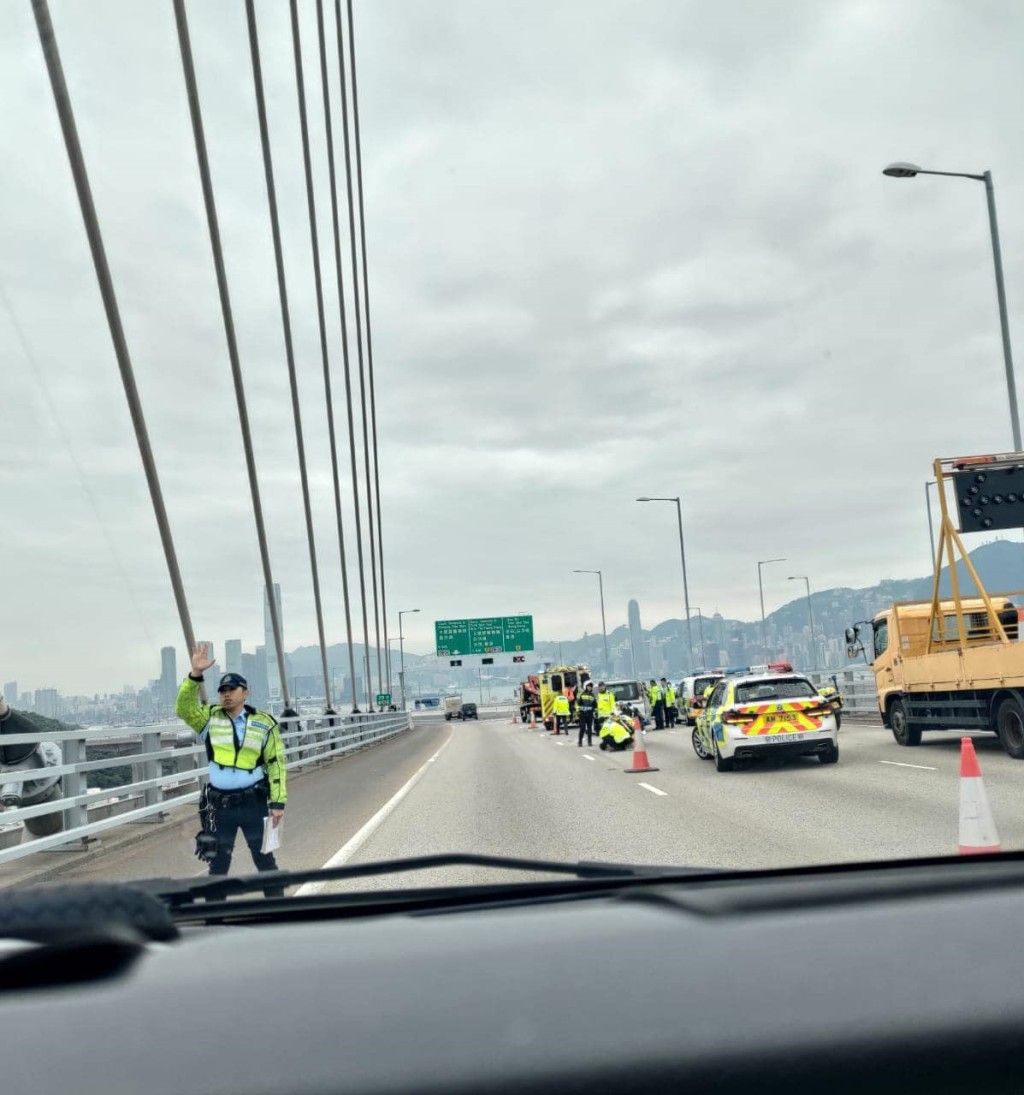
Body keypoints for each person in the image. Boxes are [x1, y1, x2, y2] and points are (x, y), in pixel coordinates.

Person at [176, 643, 287, 893]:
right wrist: (195, 674)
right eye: (222, 690)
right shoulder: (208, 718)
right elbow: (183, 709)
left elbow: (276, 763)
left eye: (232, 689)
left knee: (265, 861)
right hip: (218, 806)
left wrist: (278, 803)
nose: (226, 694)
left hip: (254, 802)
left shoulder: (264, 723)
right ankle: (214, 922)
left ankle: (280, 913)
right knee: (217, 865)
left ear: (245, 693)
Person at [576, 680, 597, 747]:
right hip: (583, 714)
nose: (590, 688)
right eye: (588, 686)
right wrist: (578, 711)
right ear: (585, 687)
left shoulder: (592, 695)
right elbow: (577, 703)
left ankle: (589, 742)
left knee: (589, 729)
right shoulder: (581, 694)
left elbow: (595, 705)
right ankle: (580, 742)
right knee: (582, 728)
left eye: (591, 687)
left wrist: (595, 711)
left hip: (590, 714)